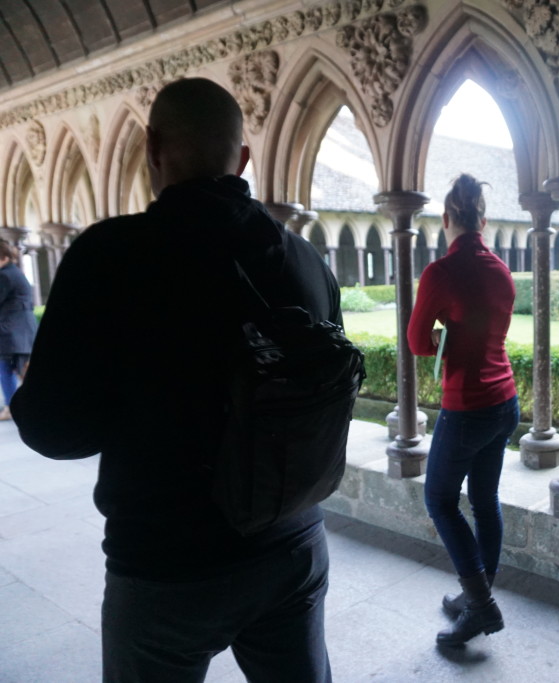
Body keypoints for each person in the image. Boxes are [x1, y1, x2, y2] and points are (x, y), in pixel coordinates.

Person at [11, 78, 340, 682]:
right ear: (242, 160)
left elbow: (54, 431)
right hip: (291, 543)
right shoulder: (305, 261)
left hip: (168, 563)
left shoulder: (108, 257)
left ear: (151, 148)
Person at [407, 174, 519, 646]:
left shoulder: (441, 273)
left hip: (468, 405)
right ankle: (479, 595)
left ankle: (480, 606)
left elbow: (417, 341)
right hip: (505, 402)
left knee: (439, 500)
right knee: (485, 500)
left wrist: (441, 338)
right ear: (485, 221)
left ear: (446, 219)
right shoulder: (501, 271)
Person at [0, 240, 36, 420]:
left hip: (11, 331)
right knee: (19, 369)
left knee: (7, 368)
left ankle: (12, 407)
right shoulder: (13, 272)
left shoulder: (5, 276)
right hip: (18, 330)